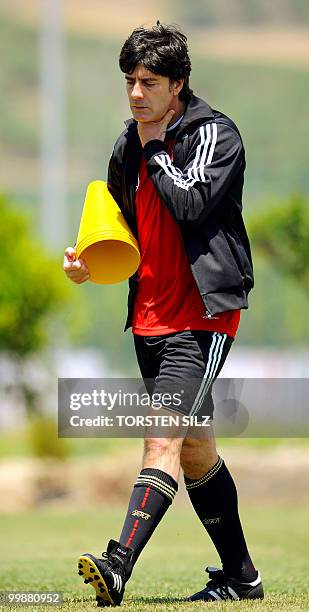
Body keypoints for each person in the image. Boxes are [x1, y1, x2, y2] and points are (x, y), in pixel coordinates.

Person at [63, 22, 264, 607]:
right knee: (195, 448)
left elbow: (191, 202)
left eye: (149, 82)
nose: (135, 94)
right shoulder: (128, 146)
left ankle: (116, 564)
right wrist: (89, 261)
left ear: (178, 84)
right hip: (150, 315)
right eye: (129, 81)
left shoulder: (215, 135)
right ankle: (242, 578)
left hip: (203, 316)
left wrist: (154, 144)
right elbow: (126, 231)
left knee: (161, 440)